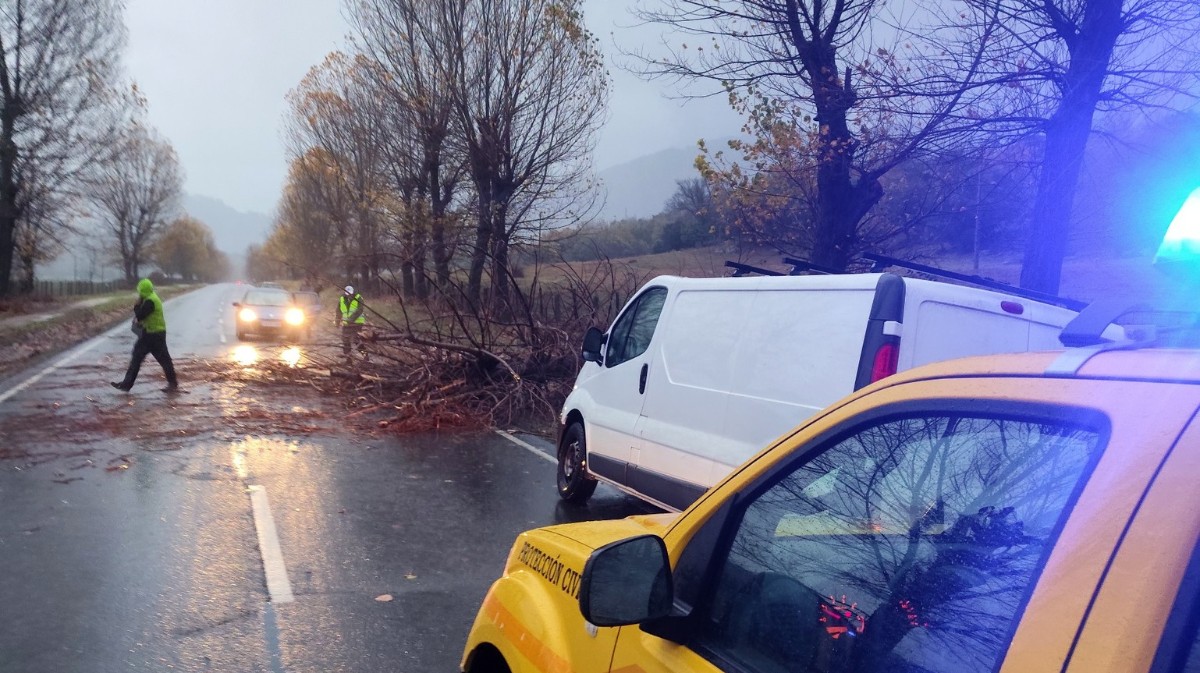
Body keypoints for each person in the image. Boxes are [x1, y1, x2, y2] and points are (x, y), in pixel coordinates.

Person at [111, 278, 179, 393]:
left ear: (143, 290)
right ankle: (127, 384)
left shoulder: (150, 301)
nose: (139, 293)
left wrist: (136, 306)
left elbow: (141, 315)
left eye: (140, 291)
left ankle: (172, 384)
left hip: (154, 335)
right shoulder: (151, 298)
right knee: (140, 357)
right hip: (151, 334)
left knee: (158, 359)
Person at [337, 284, 367, 358]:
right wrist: (337, 321)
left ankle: (365, 355)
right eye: (347, 294)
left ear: (353, 292)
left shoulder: (358, 298)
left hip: (357, 323)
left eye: (350, 294)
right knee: (345, 341)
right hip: (346, 324)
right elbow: (338, 311)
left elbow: (360, 310)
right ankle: (348, 359)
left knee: (356, 341)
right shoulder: (342, 299)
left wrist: (351, 319)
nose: (349, 295)